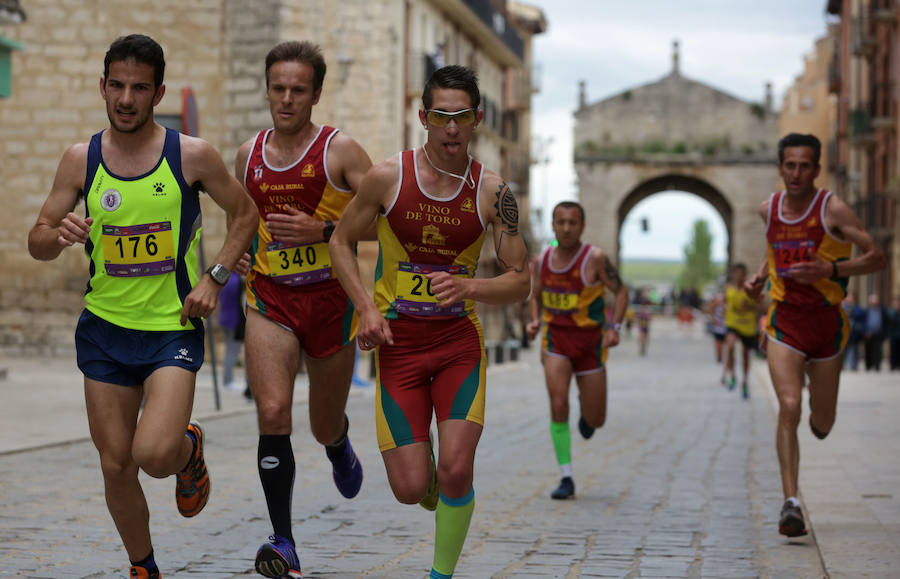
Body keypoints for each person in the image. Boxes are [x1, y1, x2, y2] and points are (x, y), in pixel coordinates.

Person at [26, 34, 258, 578]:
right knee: (115, 464)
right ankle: (143, 568)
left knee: (154, 455)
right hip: (105, 329)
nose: (126, 98)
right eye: (117, 86)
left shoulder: (191, 155)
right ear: (102, 87)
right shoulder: (79, 159)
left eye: (139, 88)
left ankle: (186, 449)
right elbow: (35, 241)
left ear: (157, 95)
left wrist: (216, 277)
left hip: (170, 327)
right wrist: (55, 233)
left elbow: (245, 214)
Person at [329, 64, 530, 579]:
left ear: (478, 119)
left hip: (458, 343)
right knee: (410, 488)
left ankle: (441, 573)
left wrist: (470, 286)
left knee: (458, 467)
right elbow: (340, 241)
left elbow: (520, 280)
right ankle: (429, 471)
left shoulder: (494, 193)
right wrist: (367, 310)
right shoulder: (387, 177)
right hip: (399, 348)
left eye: (462, 115)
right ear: (423, 117)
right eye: (441, 115)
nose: (451, 127)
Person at [234, 40, 374, 578]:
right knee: (272, 412)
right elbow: (242, 219)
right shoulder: (249, 154)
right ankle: (284, 541)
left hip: (332, 301)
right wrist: (242, 257)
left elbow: (390, 218)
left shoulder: (340, 153)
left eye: (298, 90)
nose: (287, 99)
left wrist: (327, 230)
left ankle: (338, 442)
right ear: (267, 89)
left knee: (320, 424)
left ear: (315, 93)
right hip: (271, 298)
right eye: (278, 89)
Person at [745, 133, 886, 538]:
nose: (796, 173)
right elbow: (775, 250)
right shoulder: (767, 210)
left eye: (805, 166)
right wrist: (760, 276)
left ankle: (821, 416)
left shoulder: (833, 210)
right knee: (788, 405)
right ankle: (791, 503)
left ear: (817, 169)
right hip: (785, 321)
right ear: (779, 167)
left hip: (827, 326)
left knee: (821, 421)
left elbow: (876, 256)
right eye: (790, 165)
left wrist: (832, 271)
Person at [524, 201, 628, 501]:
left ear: (582, 226)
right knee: (558, 403)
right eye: (561, 222)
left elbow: (620, 291)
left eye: (572, 222)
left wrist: (614, 328)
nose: (566, 228)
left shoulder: (595, 259)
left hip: (589, 344)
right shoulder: (543, 259)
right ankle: (566, 476)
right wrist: (534, 321)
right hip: (556, 341)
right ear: (554, 226)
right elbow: (536, 295)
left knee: (596, 421)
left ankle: (587, 412)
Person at [723, 263, 758, 398]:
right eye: (736, 273)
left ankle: (745, 381)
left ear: (745, 275)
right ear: (733, 274)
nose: (738, 276)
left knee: (745, 355)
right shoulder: (728, 289)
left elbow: (760, 306)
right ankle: (732, 375)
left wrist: (750, 304)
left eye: (741, 273)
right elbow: (724, 302)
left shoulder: (750, 289)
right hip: (732, 323)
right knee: (730, 346)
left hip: (747, 325)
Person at [218, 272, 245, 391]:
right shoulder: (237, 280)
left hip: (224, 317)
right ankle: (228, 381)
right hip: (234, 320)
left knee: (231, 350)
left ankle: (227, 380)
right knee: (233, 351)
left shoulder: (225, 277)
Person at [862, 293, 886, 371]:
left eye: (876, 301)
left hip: (878, 333)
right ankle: (868, 366)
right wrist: (865, 331)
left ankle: (877, 366)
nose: (875, 302)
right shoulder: (867, 310)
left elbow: (885, 322)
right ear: (870, 302)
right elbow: (864, 322)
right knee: (868, 350)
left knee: (878, 351)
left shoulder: (881, 310)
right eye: (873, 301)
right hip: (868, 333)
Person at [841, 292, 863, 370]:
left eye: (851, 297)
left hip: (854, 333)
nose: (849, 299)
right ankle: (842, 366)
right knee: (843, 350)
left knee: (854, 350)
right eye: (848, 297)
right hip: (844, 332)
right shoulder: (842, 307)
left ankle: (853, 365)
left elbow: (860, 316)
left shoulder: (857, 308)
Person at [706, 292, 727, 363]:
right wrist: (713, 318)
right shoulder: (715, 305)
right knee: (718, 342)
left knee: (724, 343)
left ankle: (723, 356)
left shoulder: (726, 304)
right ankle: (719, 357)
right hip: (717, 327)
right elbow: (710, 310)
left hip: (725, 327)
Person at [888, 296, 900, 371]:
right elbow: (889, 321)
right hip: (893, 334)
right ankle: (893, 365)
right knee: (893, 351)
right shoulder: (891, 311)